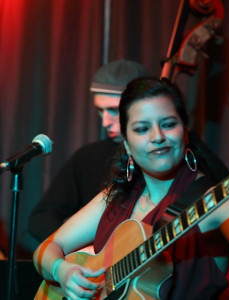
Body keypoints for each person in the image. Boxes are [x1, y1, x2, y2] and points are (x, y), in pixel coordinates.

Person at [33, 77, 229, 299]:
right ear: (126, 144)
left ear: (185, 132)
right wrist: (62, 272)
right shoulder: (115, 197)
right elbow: (47, 248)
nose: (157, 137)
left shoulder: (218, 203)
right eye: (141, 128)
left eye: (169, 124)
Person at [28, 59, 148, 242]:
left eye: (114, 110)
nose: (105, 121)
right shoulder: (89, 157)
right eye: (100, 110)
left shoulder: (171, 153)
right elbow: (40, 218)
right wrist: (82, 253)